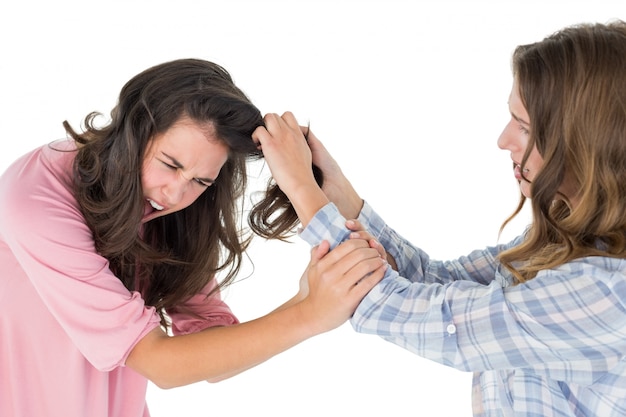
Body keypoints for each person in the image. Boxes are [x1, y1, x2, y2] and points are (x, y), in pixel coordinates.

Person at [253, 20, 626, 416]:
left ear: (587, 144)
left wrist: (301, 189)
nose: (504, 140)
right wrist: (338, 194)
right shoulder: (569, 240)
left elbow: (431, 319)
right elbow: (433, 279)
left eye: (524, 127)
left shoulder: (604, 292)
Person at [0, 58, 387, 417]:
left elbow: (211, 351)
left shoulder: (174, 211)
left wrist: (305, 298)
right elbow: (159, 362)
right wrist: (311, 314)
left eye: (201, 181)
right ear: (135, 131)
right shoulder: (34, 198)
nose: (175, 195)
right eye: (170, 164)